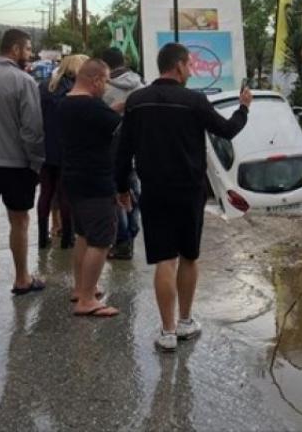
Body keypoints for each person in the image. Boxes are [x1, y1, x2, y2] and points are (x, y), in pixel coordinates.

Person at [116, 43, 252, 351]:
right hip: (189, 191)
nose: (191, 71)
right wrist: (244, 107)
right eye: (189, 66)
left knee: (165, 259)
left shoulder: (137, 101)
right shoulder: (194, 101)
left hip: (154, 189)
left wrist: (121, 187)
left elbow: (123, 149)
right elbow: (227, 130)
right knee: (189, 256)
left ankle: (166, 332)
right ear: (178, 66)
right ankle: (186, 322)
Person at [0, 29, 46, 311]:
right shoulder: (24, 81)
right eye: (28, 49)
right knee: (19, 221)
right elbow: (32, 129)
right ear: (17, 49)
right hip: (16, 163)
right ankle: (22, 278)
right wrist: (36, 164)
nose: (30, 54)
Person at [58, 59, 122, 317]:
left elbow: (101, 120)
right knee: (101, 240)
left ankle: (81, 288)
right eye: (105, 81)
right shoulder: (93, 107)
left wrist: (114, 109)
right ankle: (87, 299)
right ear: (95, 80)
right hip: (96, 182)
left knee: (83, 236)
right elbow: (119, 130)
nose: (105, 87)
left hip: (73, 178)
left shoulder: (65, 103)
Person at [37, 54, 88, 249]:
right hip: (67, 149)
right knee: (66, 195)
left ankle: (43, 236)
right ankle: (68, 237)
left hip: (46, 148)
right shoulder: (75, 89)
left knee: (46, 193)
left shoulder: (44, 86)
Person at [101, 47, 144, 260]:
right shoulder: (140, 83)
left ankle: (122, 240)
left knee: (117, 196)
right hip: (138, 148)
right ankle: (132, 232)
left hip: (112, 149)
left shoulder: (104, 88)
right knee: (133, 192)